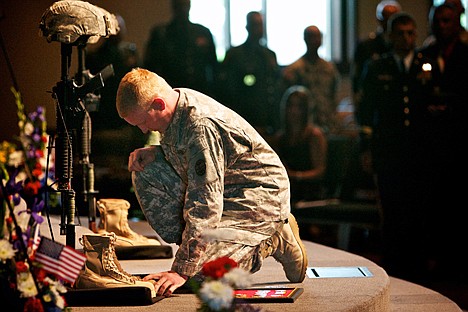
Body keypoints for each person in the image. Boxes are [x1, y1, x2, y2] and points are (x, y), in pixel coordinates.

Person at [115, 68, 308, 296]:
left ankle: (274, 237)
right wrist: (158, 154)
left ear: (158, 104)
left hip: (256, 199)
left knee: (202, 276)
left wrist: (183, 269)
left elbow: (205, 204)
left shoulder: (201, 127)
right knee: (144, 169)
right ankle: (203, 248)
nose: (144, 129)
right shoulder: (175, 104)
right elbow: (197, 162)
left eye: (143, 122)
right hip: (224, 191)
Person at [359, 12, 443, 282]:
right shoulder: (378, 67)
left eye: (410, 33)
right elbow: (366, 111)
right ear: (391, 36)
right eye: (400, 33)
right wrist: (367, 148)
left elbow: (435, 106)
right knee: (392, 209)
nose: (406, 39)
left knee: (418, 207)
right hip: (389, 149)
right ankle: (393, 266)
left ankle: (417, 266)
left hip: (419, 151)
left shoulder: (427, 64)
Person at [418, 3, 468, 282]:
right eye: (438, 21)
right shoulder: (426, 53)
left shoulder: (465, 53)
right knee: (434, 205)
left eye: (447, 21)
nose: (442, 26)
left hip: (459, 141)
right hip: (432, 144)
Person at [218, 11, 282, 138]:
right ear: (247, 27)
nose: (259, 30)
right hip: (242, 117)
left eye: (260, 25)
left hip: (265, 119)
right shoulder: (235, 55)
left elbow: (273, 87)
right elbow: (228, 91)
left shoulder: (268, 55)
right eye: (255, 25)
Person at [143, 0, 218, 97]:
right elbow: (151, 67)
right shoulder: (161, 34)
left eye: (185, 4)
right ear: (174, 6)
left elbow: (214, 66)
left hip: (200, 92)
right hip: (171, 93)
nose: (183, 8)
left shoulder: (202, 32)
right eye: (180, 5)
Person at [272, 85, 327, 204]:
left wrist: (296, 176)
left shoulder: (314, 136)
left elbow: (320, 171)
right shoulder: (281, 138)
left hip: (309, 192)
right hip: (287, 191)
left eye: (299, 107)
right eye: (291, 106)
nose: (294, 111)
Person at [282, 26, 340, 134]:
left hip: (327, 123)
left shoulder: (329, 68)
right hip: (304, 128)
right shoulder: (295, 69)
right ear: (305, 39)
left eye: (318, 37)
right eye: (311, 37)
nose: (315, 41)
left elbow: (333, 96)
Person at [352, 0, 402, 122]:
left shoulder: (402, 46)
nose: (390, 23)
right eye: (386, 18)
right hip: (372, 103)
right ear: (379, 19)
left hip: (396, 105)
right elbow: (356, 78)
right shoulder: (366, 46)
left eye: (394, 19)